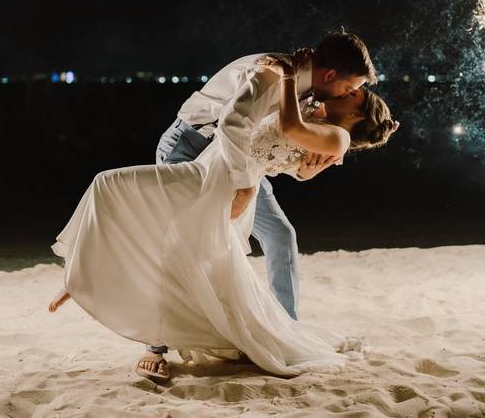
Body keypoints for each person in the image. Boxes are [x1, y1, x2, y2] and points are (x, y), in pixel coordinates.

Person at [48, 44, 398, 378]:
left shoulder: (311, 98)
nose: (346, 93)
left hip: (240, 165)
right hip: (193, 147)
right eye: (352, 87)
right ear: (331, 74)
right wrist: (250, 183)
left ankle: (281, 331)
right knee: (175, 242)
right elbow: (238, 126)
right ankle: (154, 346)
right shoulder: (273, 70)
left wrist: (315, 162)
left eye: (354, 92)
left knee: (277, 234)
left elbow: (286, 145)